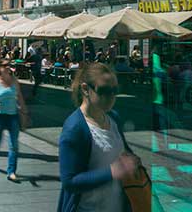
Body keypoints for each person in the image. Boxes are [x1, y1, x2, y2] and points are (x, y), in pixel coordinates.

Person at [57, 63, 139, 212]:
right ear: (85, 89)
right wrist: (112, 171)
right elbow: (69, 182)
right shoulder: (75, 128)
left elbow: (123, 154)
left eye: (115, 91)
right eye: (105, 91)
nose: (112, 97)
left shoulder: (113, 118)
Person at [0, 60, 29, 183]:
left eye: (9, 65)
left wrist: (24, 111)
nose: (7, 67)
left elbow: (19, 96)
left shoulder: (15, 81)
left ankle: (11, 172)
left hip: (13, 116)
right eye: (5, 65)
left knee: (14, 145)